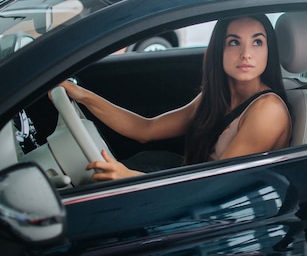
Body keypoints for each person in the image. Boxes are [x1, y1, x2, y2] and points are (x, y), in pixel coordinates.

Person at [56, 15, 291, 181]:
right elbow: (145, 129)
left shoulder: (267, 110)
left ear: (270, 51)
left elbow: (217, 186)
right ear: (219, 49)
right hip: (191, 187)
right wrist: (83, 96)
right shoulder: (217, 98)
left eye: (257, 42)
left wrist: (131, 179)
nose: (246, 54)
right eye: (234, 42)